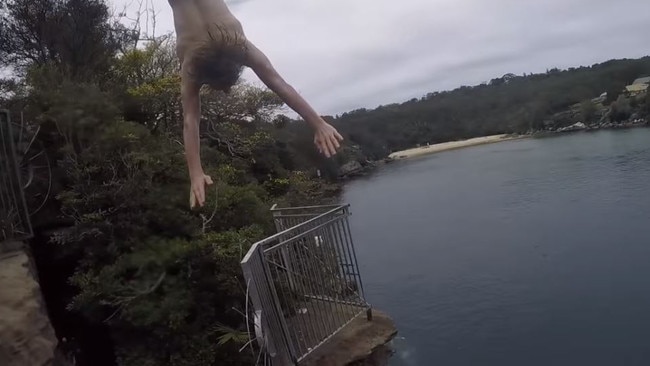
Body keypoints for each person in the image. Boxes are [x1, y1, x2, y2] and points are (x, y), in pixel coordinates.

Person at [167, 0, 344, 208]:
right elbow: (278, 83)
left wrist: (318, 124)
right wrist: (316, 123)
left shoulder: (220, 48)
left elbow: (191, 119)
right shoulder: (201, 57)